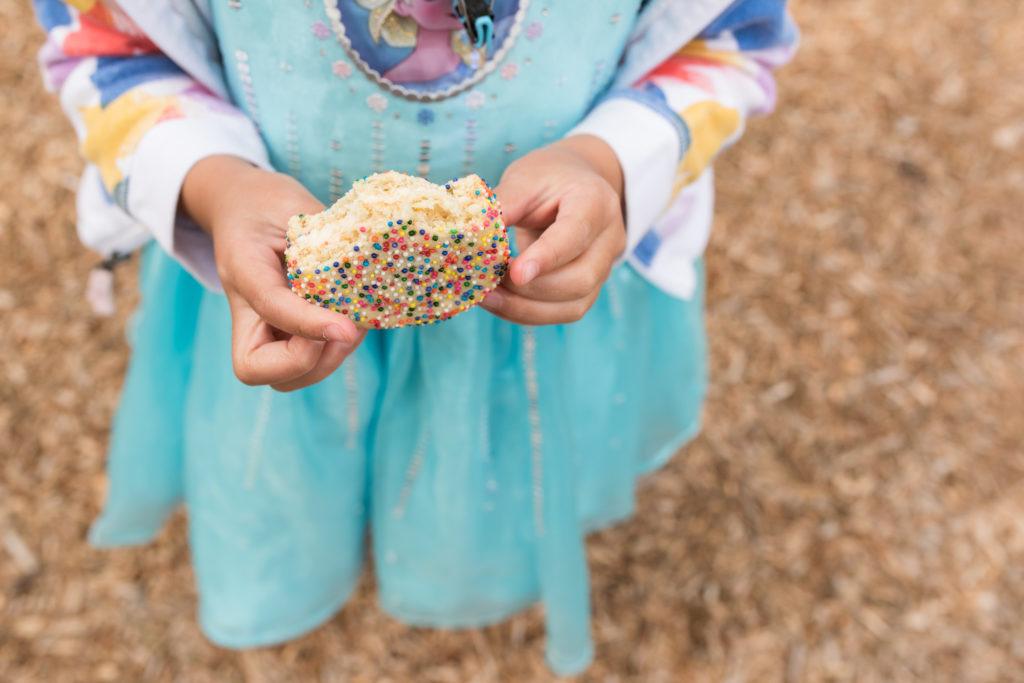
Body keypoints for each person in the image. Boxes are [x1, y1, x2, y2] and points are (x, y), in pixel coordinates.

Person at [32, 0, 797, 673]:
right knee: (291, 464)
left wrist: (608, 162)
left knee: (498, 462)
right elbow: (109, 44)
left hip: (534, 281)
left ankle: (460, 561)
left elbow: (725, 40)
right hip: (277, 273)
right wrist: (218, 184)